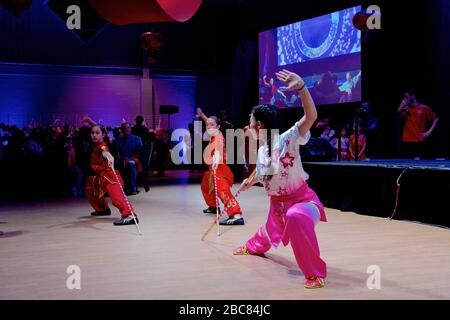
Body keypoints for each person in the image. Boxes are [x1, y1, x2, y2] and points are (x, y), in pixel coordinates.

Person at [233, 69, 327, 289]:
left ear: (261, 125)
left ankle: (314, 273)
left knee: (295, 217)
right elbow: (266, 173)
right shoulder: (262, 151)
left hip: (303, 202)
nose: (248, 125)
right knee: (266, 234)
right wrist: (250, 180)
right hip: (277, 208)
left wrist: (303, 88)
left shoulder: (289, 139)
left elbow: (310, 117)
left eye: (251, 120)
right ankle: (251, 246)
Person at [197, 108, 244, 225]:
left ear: (218, 126)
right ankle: (214, 206)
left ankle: (236, 214)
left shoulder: (218, 136)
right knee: (206, 187)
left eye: (211, 125)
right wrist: (202, 115)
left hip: (219, 168)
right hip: (211, 169)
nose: (208, 127)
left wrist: (216, 161)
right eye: (207, 125)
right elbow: (209, 121)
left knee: (223, 191)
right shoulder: (213, 133)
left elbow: (218, 150)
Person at [85, 125, 139, 226]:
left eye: (97, 133)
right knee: (90, 184)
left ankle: (129, 215)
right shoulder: (95, 147)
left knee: (117, 199)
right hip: (101, 177)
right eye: (92, 133)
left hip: (110, 177)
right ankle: (102, 209)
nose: (94, 135)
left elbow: (105, 151)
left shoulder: (102, 146)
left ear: (103, 134)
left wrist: (108, 156)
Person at [397, 89, 439, 159]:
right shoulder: (406, 109)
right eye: (404, 98)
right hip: (407, 141)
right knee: (406, 163)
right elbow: (398, 114)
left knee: (419, 163)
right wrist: (401, 105)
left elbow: (436, 119)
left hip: (419, 141)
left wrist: (428, 132)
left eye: (406, 97)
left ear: (412, 96)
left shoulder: (424, 108)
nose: (405, 99)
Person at [116, 122, 143, 195]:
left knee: (131, 164)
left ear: (130, 129)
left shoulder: (136, 139)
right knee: (116, 164)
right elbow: (117, 154)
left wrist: (130, 159)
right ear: (121, 130)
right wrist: (123, 159)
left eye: (128, 128)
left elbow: (139, 153)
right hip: (123, 160)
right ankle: (121, 188)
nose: (126, 130)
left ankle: (133, 188)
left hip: (134, 159)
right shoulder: (118, 140)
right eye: (124, 128)